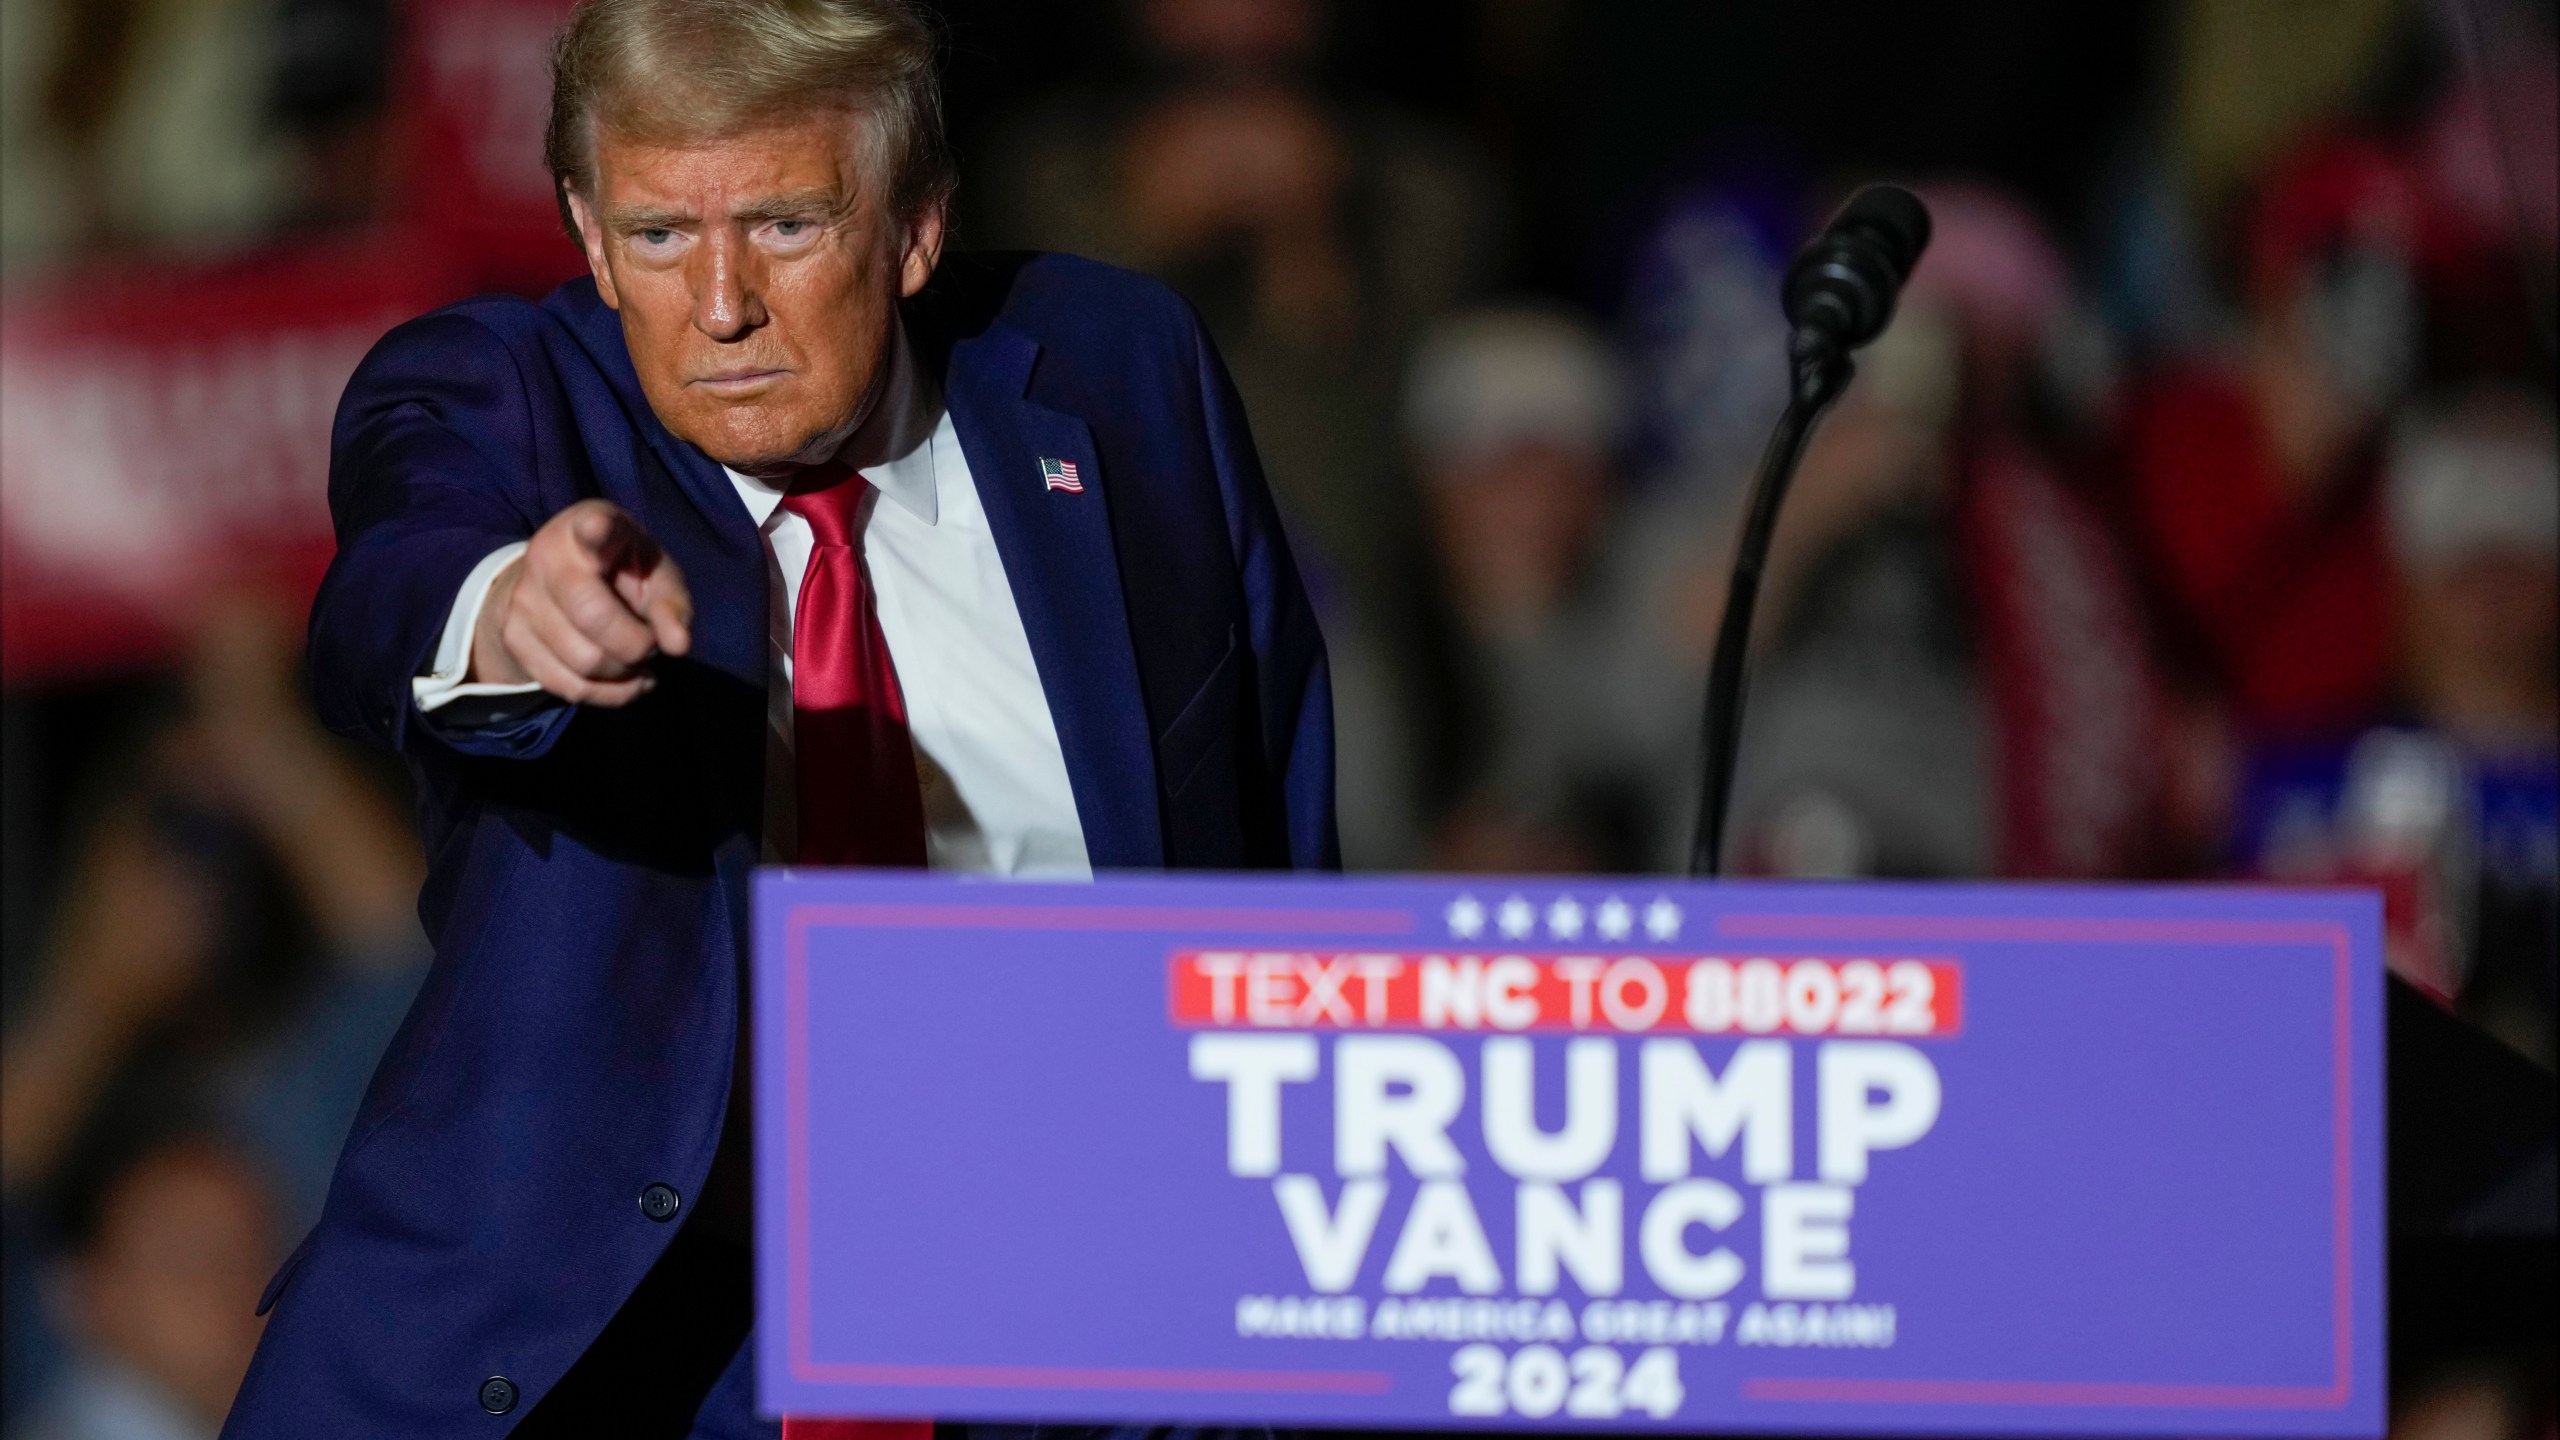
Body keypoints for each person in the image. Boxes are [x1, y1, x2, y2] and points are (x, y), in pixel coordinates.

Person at [219, 0, 1335, 1435]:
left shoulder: (1121, 373)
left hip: (1092, 1325)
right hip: (622, 1357)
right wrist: (507, 608)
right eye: (660, 237)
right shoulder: (506, 395)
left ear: (916, 224)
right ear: (584, 226)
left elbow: (1278, 837)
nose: (722, 304)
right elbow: (391, 586)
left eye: (787, 227)